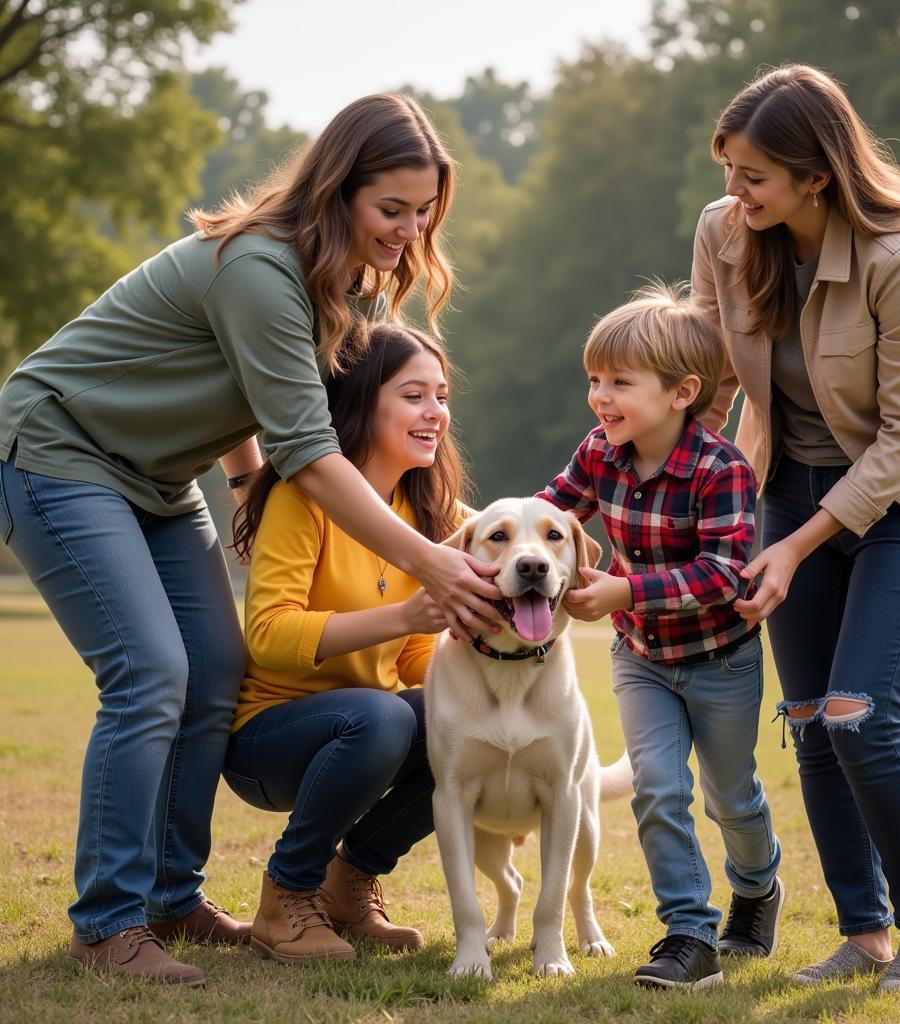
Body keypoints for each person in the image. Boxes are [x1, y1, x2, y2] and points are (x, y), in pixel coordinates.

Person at [0, 93, 500, 986]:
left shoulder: (327, 278)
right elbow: (309, 450)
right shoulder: (263, 269)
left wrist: (238, 481)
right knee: (150, 672)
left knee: (213, 673)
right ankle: (107, 923)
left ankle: (170, 898)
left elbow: (245, 387)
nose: (410, 230)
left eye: (425, 212)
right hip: (59, 449)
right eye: (393, 209)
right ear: (339, 188)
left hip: (155, 479)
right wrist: (427, 556)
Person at [691, 64, 900, 990]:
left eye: (753, 176)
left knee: (859, 713)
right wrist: (660, 468)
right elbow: (705, 372)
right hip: (791, 479)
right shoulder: (726, 233)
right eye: (728, 171)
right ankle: (864, 934)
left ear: (816, 176)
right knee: (809, 721)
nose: (732, 193)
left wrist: (790, 546)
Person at [539, 283, 783, 990]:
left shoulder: (720, 468)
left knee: (731, 797)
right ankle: (688, 933)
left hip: (722, 662)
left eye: (619, 382)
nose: (600, 396)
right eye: (594, 379)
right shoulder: (599, 453)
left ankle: (758, 887)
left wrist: (624, 590)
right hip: (642, 659)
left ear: (681, 393)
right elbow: (546, 511)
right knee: (656, 789)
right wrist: (489, 542)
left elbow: (723, 574)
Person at [224, 323, 464, 963]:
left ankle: (349, 878)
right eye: (414, 395)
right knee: (383, 714)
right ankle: (287, 894)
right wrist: (403, 615)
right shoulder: (303, 498)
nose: (435, 413)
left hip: (366, 724)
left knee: (463, 721)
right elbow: (270, 634)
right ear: (361, 400)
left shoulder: (425, 514)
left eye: (441, 396)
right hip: (268, 738)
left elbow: (412, 659)